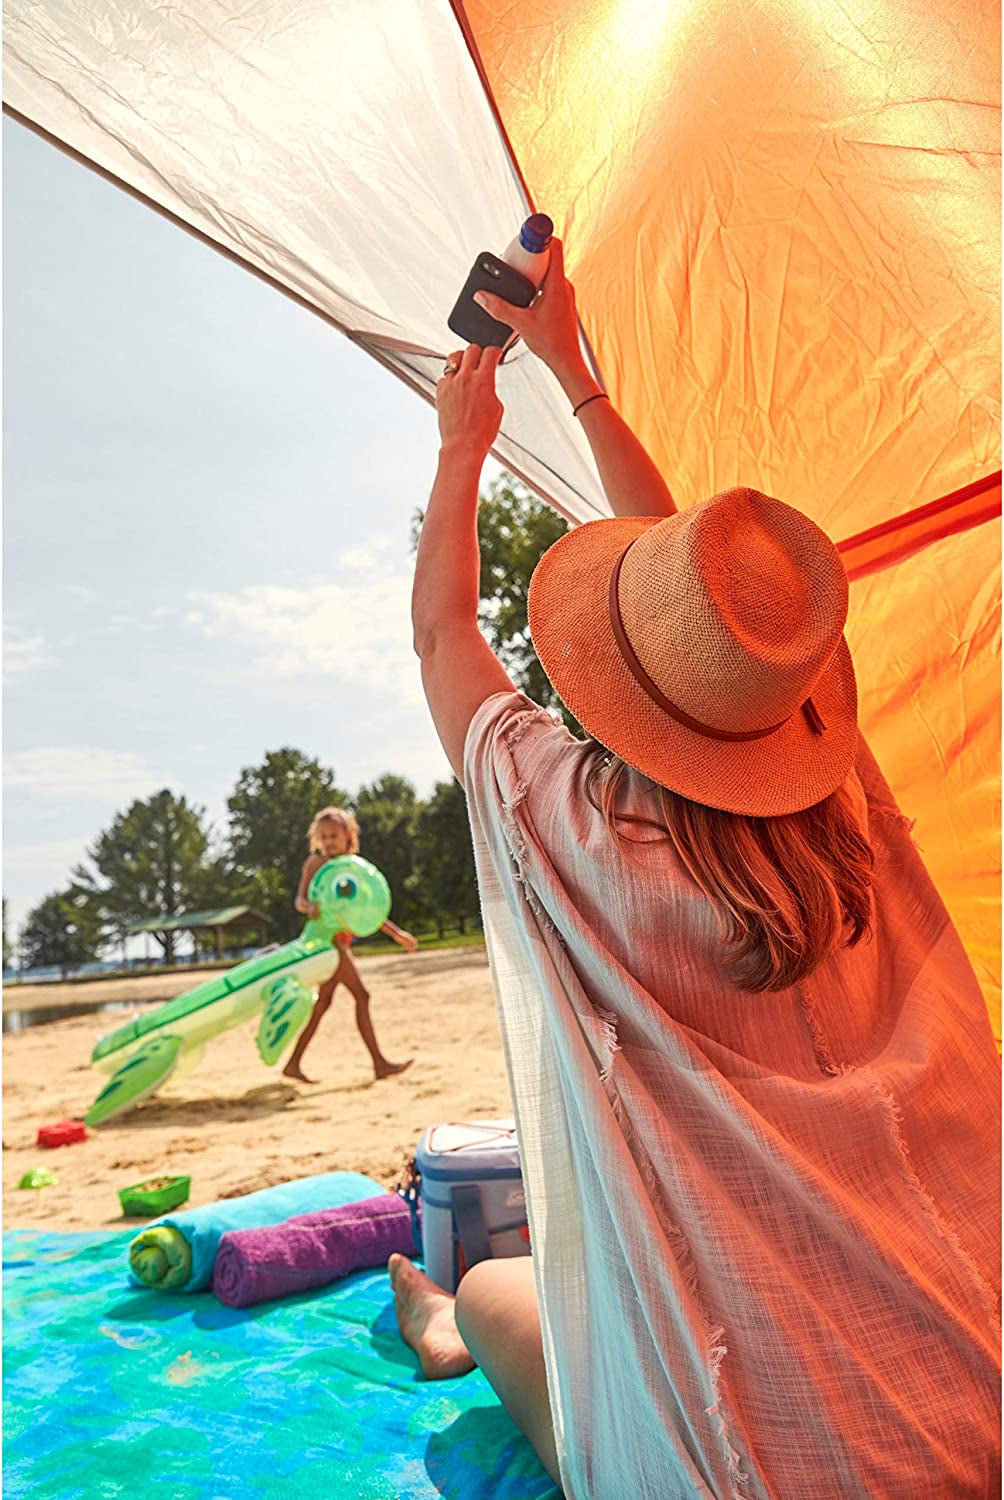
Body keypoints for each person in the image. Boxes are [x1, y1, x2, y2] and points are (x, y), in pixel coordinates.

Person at [389, 239, 1001, 1497]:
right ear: (785, 704)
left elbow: (445, 630)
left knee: (506, 1288)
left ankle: (452, 1330)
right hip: (978, 1399)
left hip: (739, 1466)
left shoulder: (562, 822)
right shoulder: (852, 815)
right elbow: (706, 599)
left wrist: (466, 440)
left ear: (619, 679)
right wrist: (581, 374)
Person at [283, 805, 415, 1084]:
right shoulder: (316, 864)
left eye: (334, 836)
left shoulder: (352, 868)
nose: (329, 842)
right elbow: (299, 901)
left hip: (339, 942)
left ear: (348, 836)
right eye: (324, 837)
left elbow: (367, 911)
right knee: (362, 996)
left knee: (323, 1004)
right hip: (324, 942)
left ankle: (293, 1064)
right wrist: (309, 907)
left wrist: (396, 933)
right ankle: (379, 1064)